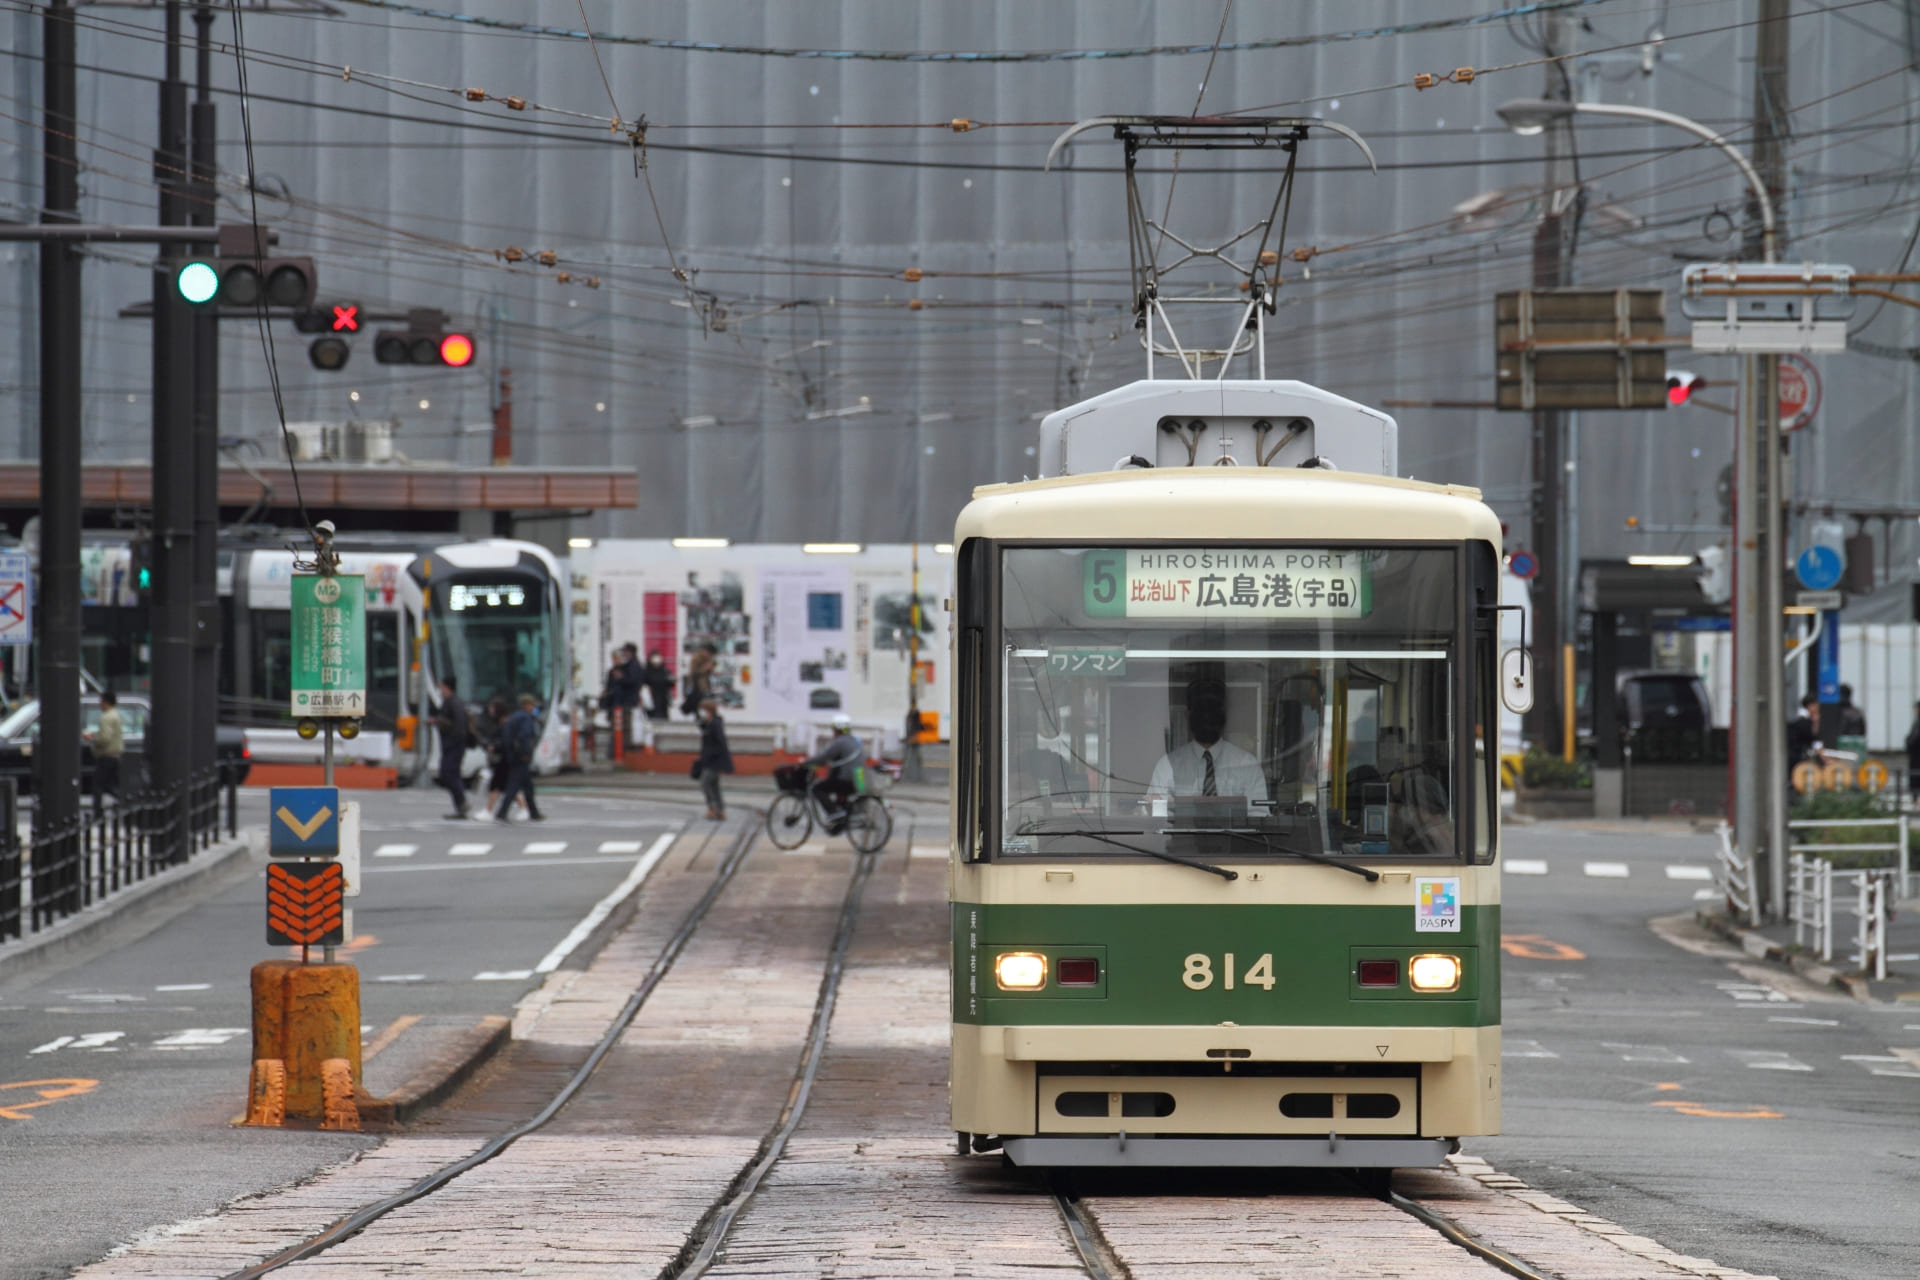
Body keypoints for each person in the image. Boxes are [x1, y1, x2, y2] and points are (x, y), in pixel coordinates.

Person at [1146, 678, 1269, 809]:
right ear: (1188, 715)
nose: (1207, 717)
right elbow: (1156, 817)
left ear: (1224, 715)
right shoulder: (1167, 766)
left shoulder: (1247, 765)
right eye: (1201, 711)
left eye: (1213, 711)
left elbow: (1259, 818)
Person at [804, 713, 865, 831]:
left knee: (818, 788)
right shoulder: (855, 741)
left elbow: (825, 757)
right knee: (838, 792)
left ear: (837, 729)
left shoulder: (840, 742)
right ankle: (839, 823)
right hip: (859, 780)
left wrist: (807, 762)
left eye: (833, 729)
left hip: (846, 780)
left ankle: (833, 812)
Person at [494, 693, 545, 823]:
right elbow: (524, 736)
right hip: (521, 756)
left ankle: (534, 812)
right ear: (526, 705)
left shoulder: (514, 717)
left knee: (528, 786)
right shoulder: (526, 718)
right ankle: (502, 811)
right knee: (514, 785)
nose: (533, 707)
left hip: (512, 755)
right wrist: (526, 753)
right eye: (532, 705)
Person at [433, 676, 472, 819]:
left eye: (441, 686)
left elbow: (459, 725)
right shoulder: (451, 702)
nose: (439, 689)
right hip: (451, 744)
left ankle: (462, 802)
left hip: (454, 744)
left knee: (448, 773)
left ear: (446, 687)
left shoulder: (453, 702)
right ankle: (460, 805)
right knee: (450, 773)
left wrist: (453, 738)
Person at [694, 699, 734, 820]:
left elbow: (720, 742)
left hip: (714, 761)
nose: (703, 713)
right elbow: (702, 728)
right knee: (714, 785)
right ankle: (719, 810)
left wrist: (712, 755)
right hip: (710, 760)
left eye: (704, 710)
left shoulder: (715, 724)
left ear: (710, 711)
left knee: (705, 783)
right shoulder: (710, 723)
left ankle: (713, 808)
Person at [86, 691, 124, 815]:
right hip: (115, 754)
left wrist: (92, 738)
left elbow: (105, 738)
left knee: (98, 785)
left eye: (101, 701)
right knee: (109, 784)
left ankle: (98, 811)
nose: (99, 704)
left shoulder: (107, 717)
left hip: (106, 755)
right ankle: (123, 801)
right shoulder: (115, 714)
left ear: (105, 702)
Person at [482, 695, 517, 817]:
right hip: (504, 758)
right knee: (507, 787)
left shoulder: (505, 723)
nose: (490, 711)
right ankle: (526, 809)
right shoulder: (499, 723)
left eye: (492, 708)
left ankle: (489, 811)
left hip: (505, 759)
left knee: (496, 784)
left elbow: (506, 741)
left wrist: (495, 746)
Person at [680, 642, 718, 716]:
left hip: (704, 686)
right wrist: (706, 668)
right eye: (710, 655)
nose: (711, 657)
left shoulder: (707, 660)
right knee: (698, 704)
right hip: (697, 687)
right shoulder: (696, 659)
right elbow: (694, 673)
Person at [641, 650, 675, 722]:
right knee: (652, 719)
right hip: (651, 700)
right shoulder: (647, 671)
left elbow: (670, 683)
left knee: (663, 719)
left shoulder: (665, 671)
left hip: (663, 700)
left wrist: (671, 681)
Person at [1904, 700, 1920, 797]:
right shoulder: (1917, 721)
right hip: (1915, 754)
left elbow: (1915, 738)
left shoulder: (1918, 722)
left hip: (1916, 755)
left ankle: (1915, 798)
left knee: (1915, 776)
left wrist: (1908, 742)